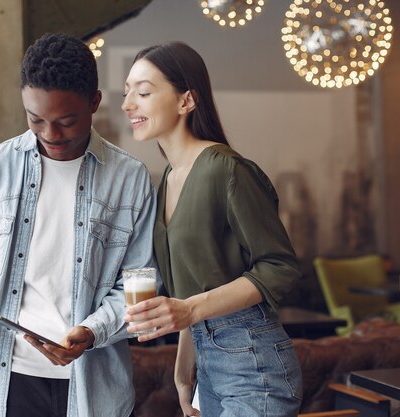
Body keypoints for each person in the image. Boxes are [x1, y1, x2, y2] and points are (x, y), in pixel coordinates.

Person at [0, 33, 156, 417]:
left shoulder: (130, 180)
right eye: (36, 120)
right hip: (8, 378)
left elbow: (139, 287)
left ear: (94, 103)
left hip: (94, 384)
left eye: (67, 121)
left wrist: (91, 332)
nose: (51, 135)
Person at [122, 41, 303, 417]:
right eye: (127, 93)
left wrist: (189, 311)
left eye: (142, 92)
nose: (128, 105)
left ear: (186, 100)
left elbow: (279, 267)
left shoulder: (227, 169)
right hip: (208, 364)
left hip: (252, 362)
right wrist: (183, 369)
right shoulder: (169, 178)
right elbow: (193, 289)